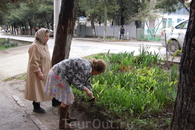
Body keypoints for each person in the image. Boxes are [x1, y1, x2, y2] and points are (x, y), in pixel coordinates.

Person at [45, 58, 107, 129]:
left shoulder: (88, 66)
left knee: (68, 98)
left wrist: (90, 91)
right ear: (96, 69)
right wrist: (86, 90)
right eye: (98, 73)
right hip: (58, 76)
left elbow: (87, 80)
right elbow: (76, 82)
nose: (96, 75)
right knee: (67, 99)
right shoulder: (86, 68)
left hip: (56, 72)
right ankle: (62, 124)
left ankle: (67, 118)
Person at [24, 28, 60, 114]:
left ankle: (55, 101)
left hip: (46, 70)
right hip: (37, 72)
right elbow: (33, 61)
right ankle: (36, 106)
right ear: (40, 36)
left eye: (48, 36)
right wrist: (39, 72)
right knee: (37, 88)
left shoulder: (44, 45)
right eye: (46, 36)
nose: (48, 38)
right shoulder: (34, 46)